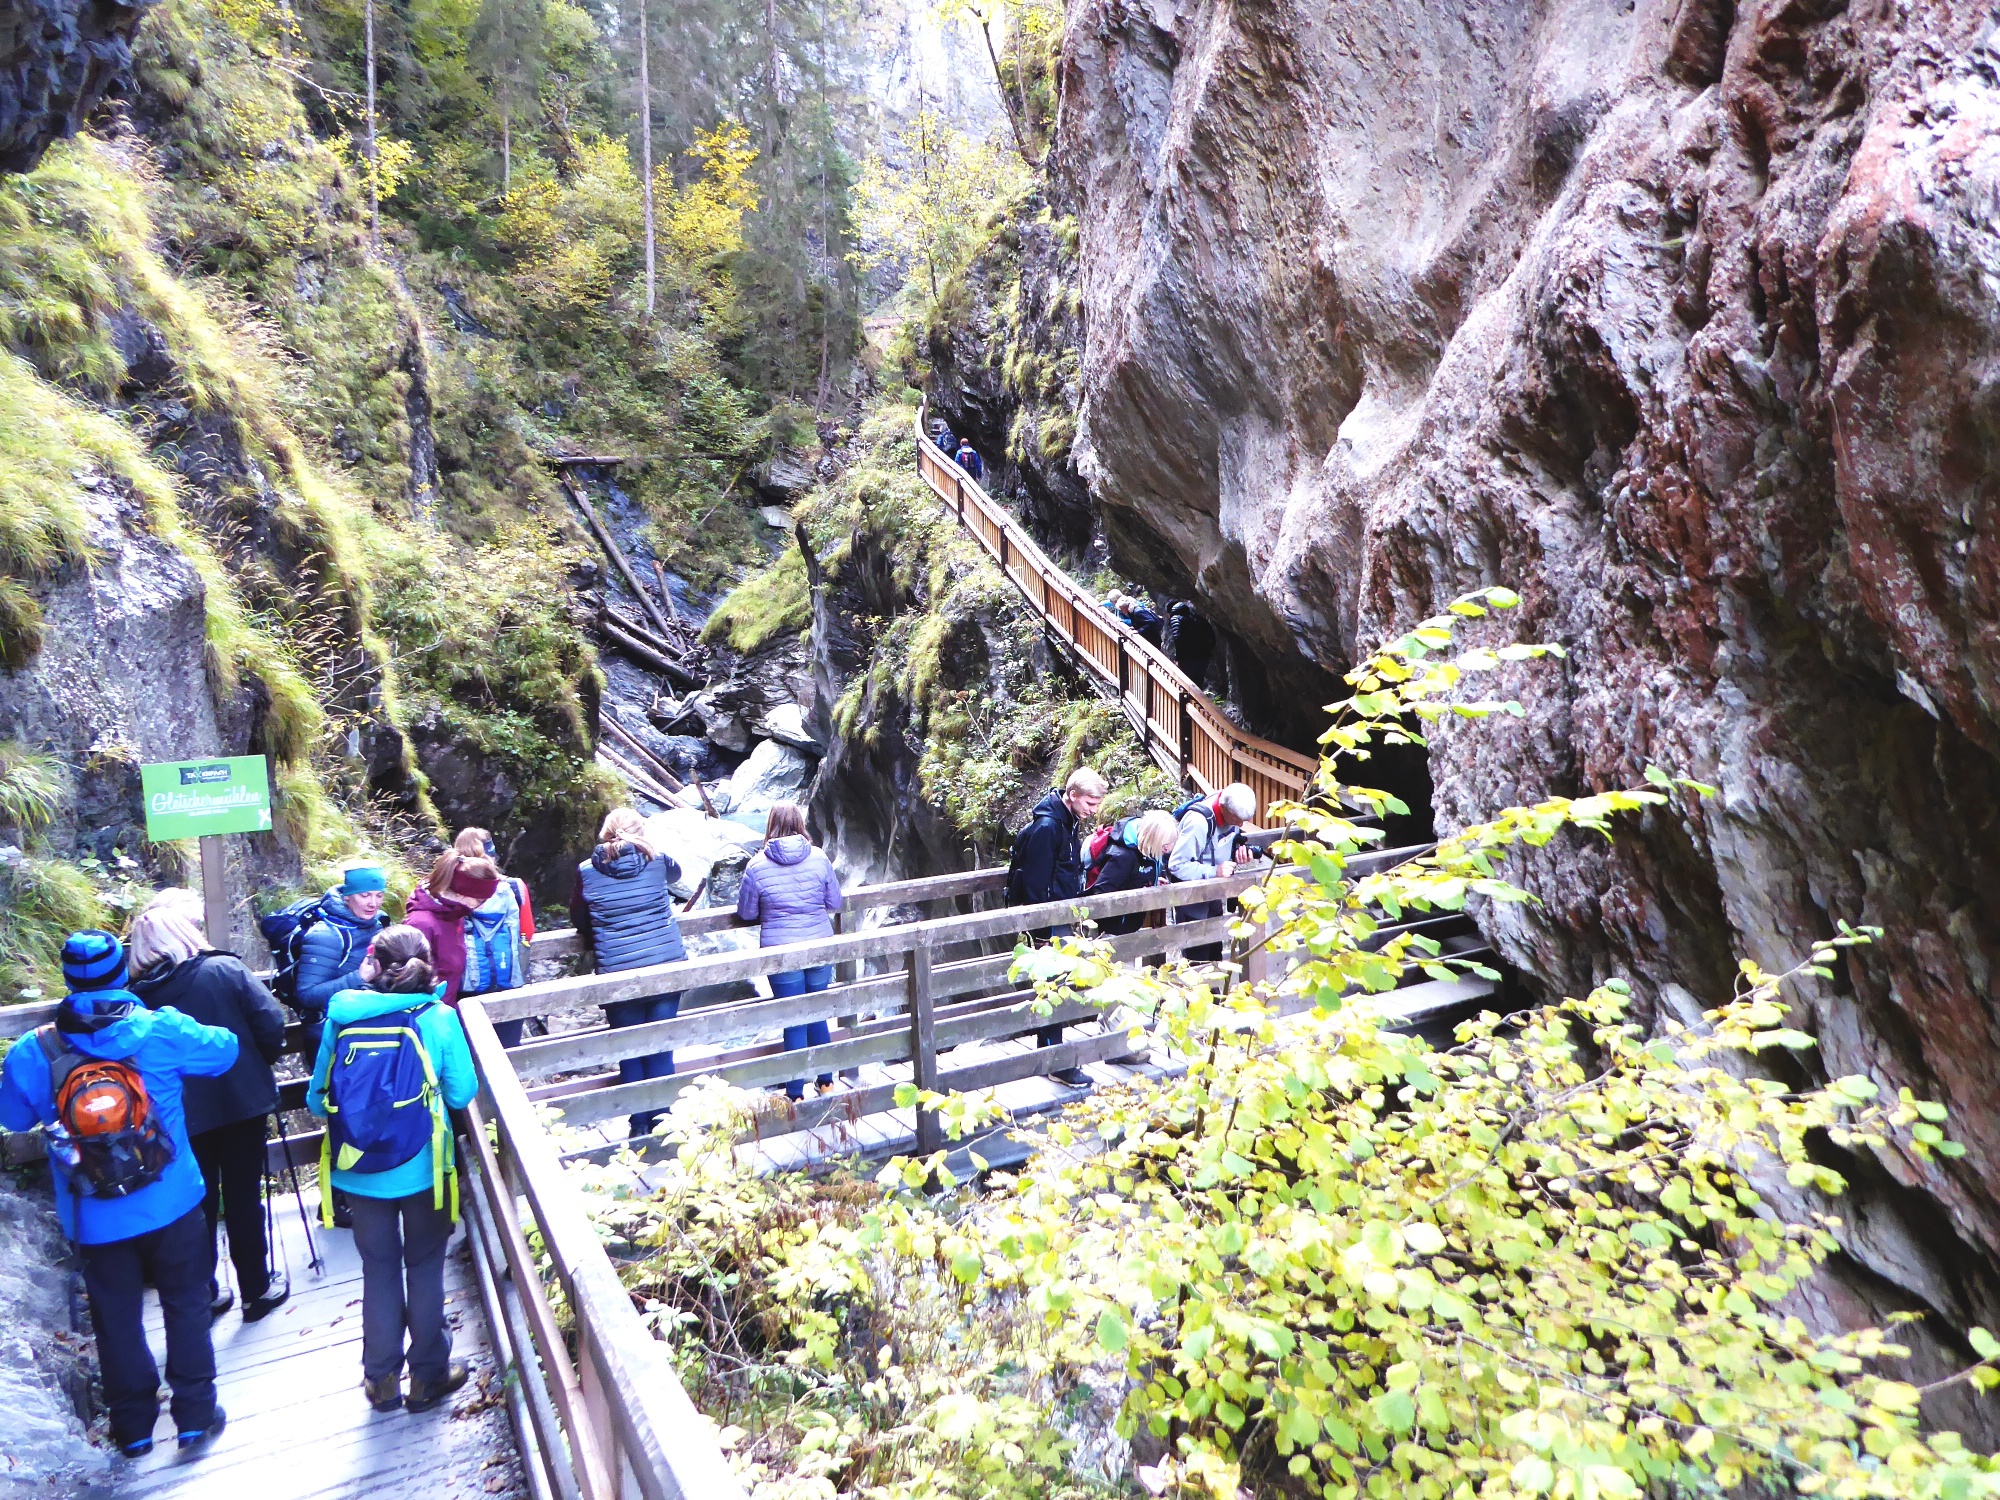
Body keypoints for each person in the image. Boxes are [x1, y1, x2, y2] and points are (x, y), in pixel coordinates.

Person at [0, 931, 237, 1458]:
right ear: (122, 971)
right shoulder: (158, 1028)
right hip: (172, 1199)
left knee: (115, 1318)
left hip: (94, 1212)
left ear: (67, 979)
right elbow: (226, 1051)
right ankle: (195, 1416)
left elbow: (13, 1118)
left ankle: (133, 1430)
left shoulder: (34, 1051)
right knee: (186, 1303)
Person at [307, 924, 476, 1415]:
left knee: (378, 1268)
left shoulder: (342, 1016)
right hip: (423, 1166)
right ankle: (428, 1378)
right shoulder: (439, 1017)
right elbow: (462, 1093)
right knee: (423, 1265)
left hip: (358, 1167)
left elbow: (318, 1099)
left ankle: (381, 1380)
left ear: (374, 966)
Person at [129, 891, 291, 1324]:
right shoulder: (224, 969)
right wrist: (261, 1060)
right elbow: (270, 1023)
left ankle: (205, 1293)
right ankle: (256, 1290)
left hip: (179, 1113)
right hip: (241, 1100)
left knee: (195, 1202)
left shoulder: (133, 1001)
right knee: (243, 1196)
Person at [570, 808, 687, 1138]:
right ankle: (664, 1125)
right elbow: (677, 876)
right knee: (661, 1046)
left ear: (605, 832)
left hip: (617, 971)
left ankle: (638, 1125)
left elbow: (580, 919)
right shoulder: (659, 860)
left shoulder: (586, 871)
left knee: (629, 1050)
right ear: (641, 832)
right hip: (664, 966)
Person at [1004, 766, 1107, 1085]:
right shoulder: (1050, 827)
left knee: (1059, 986)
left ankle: (1053, 1057)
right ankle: (1054, 1061)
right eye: (1090, 803)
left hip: (1059, 919)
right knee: (1054, 987)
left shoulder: (1065, 821)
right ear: (1072, 796)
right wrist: (1045, 931)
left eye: (1097, 803)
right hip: (1048, 925)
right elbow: (1036, 883)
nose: (1094, 810)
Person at [736, 802, 844, 1101]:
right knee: (818, 1013)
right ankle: (826, 1083)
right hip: (818, 945)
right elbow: (835, 903)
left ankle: (794, 1093)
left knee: (793, 1018)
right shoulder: (819, 857)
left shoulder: (757, 865)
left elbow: (746, 913)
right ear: (800, 823)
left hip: (781, 951)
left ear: (770, 825)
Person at [453, 827, 538, 1048]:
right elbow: (527, 932)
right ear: (492, 855)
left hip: (464, 990)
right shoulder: (515, 888)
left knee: (471, 1057)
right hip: (509, 983)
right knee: (508, 1055)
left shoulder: (446, 893)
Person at [1168, 783, 1259, 962]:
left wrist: (1237, 853)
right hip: (1191, 901)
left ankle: (1216, 990)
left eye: (1244, 820)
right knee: (1197, 960)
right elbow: (1177, 864)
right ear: (1223, 808)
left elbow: (1220, 845)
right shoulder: (1199, 823)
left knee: (1215, 955)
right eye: (1237, 819)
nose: (1240, 824)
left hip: (1214, 897)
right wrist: (1214, 871)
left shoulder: (1228, 809)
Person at [403, 848, 502, 1006]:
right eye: (480, 901)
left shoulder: (454, 915)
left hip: (445, 1009)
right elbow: (409, 985)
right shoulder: (420, 924)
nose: (482, 908)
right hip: (426, 1018)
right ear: (461, 894)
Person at [293, 865, 390, 1024]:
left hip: (367, 1024)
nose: (373, 903)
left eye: (379, 895)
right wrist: (359, 977)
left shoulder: (378, 924)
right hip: (329, 1032)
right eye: (364, 895)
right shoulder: (326, 935)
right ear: (347, 897)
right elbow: (307, 995)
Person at [1085, 811, 1182, 936]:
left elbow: (1134, 876)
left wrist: (1152, 881)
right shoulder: (1123, 857)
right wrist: (1135, 893)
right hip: (1113, 929)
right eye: (1165, 845)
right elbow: (1100, 892)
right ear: (1153, 839)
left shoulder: (1148, 852)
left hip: (1131, 925)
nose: (1168, 849)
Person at [1167, 601, 1216, 686]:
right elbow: (1211, 634)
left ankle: (1187, 699)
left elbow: (1178, 638)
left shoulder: (1176, 618)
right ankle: (1198, 698)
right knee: (1198, 681)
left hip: (1188, 657)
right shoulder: (1198, 618)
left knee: (1186, 683)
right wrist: (1209, 649)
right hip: (1203, 656)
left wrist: (1178, 658)